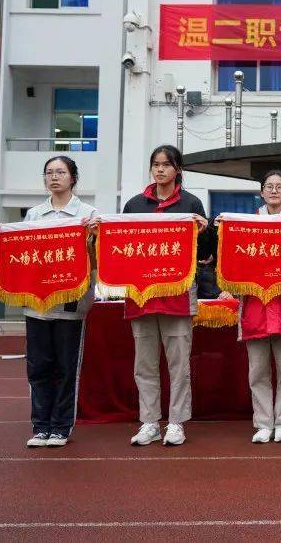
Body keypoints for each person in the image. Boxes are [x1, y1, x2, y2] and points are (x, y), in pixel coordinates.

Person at [0, 156, 97, 448]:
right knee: (38, 367)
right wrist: (2, 237)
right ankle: (40, 426)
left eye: (60, 172)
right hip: (37, 303)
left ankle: (61, 427)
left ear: (73, 177)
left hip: (71, 303)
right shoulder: (34, 215)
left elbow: (96, 261)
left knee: (65, 368)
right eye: (49, 172)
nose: (54, 177)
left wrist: (93, 238)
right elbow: (22, 252)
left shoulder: (88, 215)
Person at [112, 145, 208, 447]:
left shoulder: (191, 204)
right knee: (144, 364)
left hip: (178, 295)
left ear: (177, 169)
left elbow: (205, 254)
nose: (160, 170)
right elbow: (121, 246)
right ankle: (150, 422)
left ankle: (176, 422)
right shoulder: (134, 205)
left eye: (166, 165)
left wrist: (204, 231)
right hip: (141, 296)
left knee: (178, 365)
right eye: (156, 164)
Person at [218, 169, 281, 444]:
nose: (274, 191)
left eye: (279, 187)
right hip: (255, 307)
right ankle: (263, 422)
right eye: (269, 186)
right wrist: (223, 229)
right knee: (257, 370)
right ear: (261, 192)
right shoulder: (248, 224)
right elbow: (234, 262)